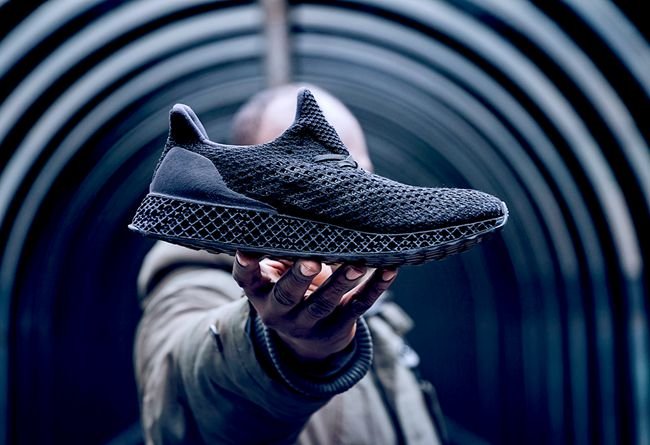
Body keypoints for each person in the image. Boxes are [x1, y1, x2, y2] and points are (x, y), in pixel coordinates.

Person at [134, 84, 447, 444]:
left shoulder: (368, 300)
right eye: (328, 179)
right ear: (250, 185)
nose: (360, 198)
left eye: (361, 175)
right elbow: (182, 391)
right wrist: (285, 349)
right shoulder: (197, 277)